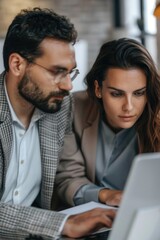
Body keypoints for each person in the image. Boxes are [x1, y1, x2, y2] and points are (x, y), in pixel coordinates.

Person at [0, 7, 116, 240]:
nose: (68, 86)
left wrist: (105, 196)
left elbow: (64, 174)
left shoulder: (59, 107)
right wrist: (61, 223)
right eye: (57, 72)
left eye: (70, 73)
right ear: (17, 65)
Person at [55, 38, 160, 209]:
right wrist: (107, 195)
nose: (129, 107)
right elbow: (67, 178)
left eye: (139, 93)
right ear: (98, 89)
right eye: (117, 94)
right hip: (86, 219)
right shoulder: (71, 109)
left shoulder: (156, 116)